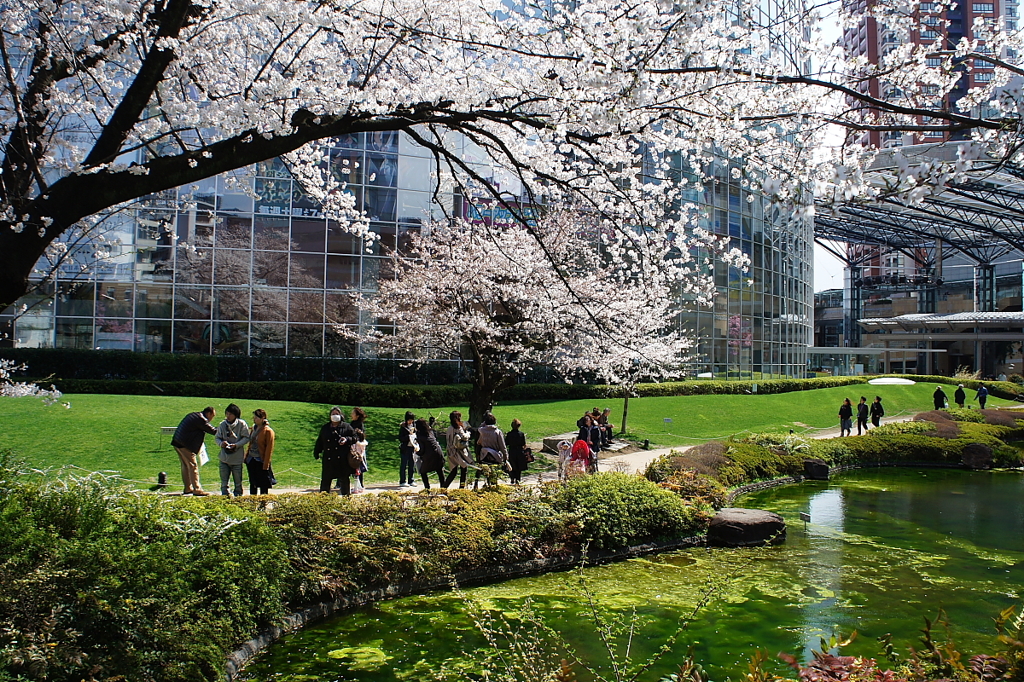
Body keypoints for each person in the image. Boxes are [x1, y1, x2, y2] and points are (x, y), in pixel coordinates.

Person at [170, 406, 216, 496]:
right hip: (185, 444)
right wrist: (224, 429)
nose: (211, 419)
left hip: (177, 442)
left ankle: (188, 488)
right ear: (209, 413)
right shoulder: (201, 419)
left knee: (185, 466)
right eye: (212, 416)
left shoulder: (194, 415)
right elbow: (212, 430)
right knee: (193, 466)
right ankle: (197, 489)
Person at [314, 406, 357, 495]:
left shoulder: (346, 427)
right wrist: (317, 452)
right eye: (333, 414)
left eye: (337, 414)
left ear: (341, 415)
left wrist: (346, 440)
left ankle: (346, 499)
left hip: (342, 459)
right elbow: (320, 441)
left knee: (344, 480)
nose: (335, 415)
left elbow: (355, 438)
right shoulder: (325, 428)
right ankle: (323, 501)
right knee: (325, 481)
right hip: (329, 459)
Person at [215, 403, 251, 497]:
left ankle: (238, 498)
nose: (228, 416)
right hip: (224, 458)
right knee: (224, 483)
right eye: (227, 413)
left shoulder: (241, 424)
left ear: (236, 415)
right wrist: (221, 443)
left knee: (238, 483)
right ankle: (225, 498)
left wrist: (236, 445)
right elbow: (217, 438)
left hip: (237, 459)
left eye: (230, 414)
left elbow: (246, 438)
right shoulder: (222, 424)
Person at [245, 408, 275, 496]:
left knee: (263, 484)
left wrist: (266, 464)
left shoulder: (268, 431)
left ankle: (263, 503)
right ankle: (253, 502)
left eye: (257, 417)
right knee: (253, 482)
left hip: (260, 459)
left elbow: (269, 449)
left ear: (263, 418)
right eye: (254, 417)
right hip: (251, 459)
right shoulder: (253, 428)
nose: (254, 419)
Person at [415, 418, 451, 489]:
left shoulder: (420, 436)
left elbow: (422, 450)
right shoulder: (430, 432)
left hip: (429, 456)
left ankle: (427, 488)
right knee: (439, 470)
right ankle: (443, 488)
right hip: (438, 452)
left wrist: (417, 452)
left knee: (423, 471)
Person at [445, 410, 475, 489]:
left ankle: (444, 487)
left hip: (450, 451)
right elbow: (464, 437)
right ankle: (461, 487)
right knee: (464, 469)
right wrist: (468, 433)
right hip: (459, 452)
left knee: (453, 471)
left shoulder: (449, 428)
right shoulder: (459, 428)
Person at [476, 412, 509, 484]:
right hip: (495, 455)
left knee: (487, 472)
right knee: (494, 472)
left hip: (485, 455)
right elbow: (502, 446)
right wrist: (506, 457)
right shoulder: (497, 432)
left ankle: (488, 484)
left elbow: (479, 442)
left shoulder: (482, 431)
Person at [349, 407, 368, 490]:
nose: (351, 415)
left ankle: (360, 485)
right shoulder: (351, 423)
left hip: (358, 448)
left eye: (353, 413)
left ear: (357, 415)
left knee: (358, 466)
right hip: (352, 447)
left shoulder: (360, 424)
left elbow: (360, 436)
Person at [506, 418, 528, 484]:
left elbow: (506, 443)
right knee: (519, 467)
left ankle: (512, 478)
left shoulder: (509, 434)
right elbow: (523, 444)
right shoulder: (521, 434)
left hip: (512, 450)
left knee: (512, 465)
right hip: (519, 451)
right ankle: (518, 480)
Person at [398, 411, 417, 487]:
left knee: (412, 464)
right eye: (409, 420)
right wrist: (408, 436)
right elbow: (400, 438)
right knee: (404, 465)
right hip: (405, 448)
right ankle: (402, 481)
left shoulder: (414, 426)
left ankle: (411, 480)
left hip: (412, 448)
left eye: (412, 420)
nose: (410, 422)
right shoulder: (403, 427)